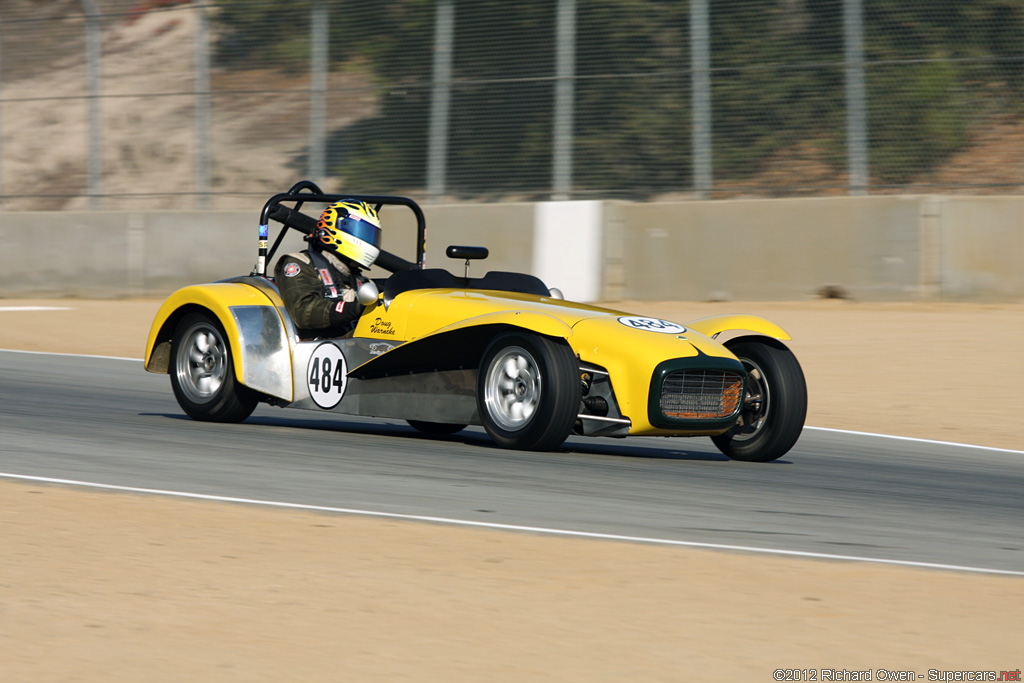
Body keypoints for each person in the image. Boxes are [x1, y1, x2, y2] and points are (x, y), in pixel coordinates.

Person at [274, 199, 382, 338]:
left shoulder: (365, 283)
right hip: (311, 348)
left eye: (373, 236)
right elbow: (303, 312)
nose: (370, 241)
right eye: (364, 233)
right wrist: (354, 307)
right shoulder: (300, 264)